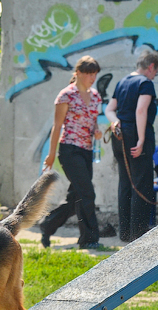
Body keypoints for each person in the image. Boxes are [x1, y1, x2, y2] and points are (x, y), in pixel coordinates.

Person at [38, 55, 103, 250]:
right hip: (69, 150)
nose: (93, 77)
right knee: (87, 193)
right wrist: (51, 154)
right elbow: (57, 126)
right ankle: (89, 239)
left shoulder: (96, 96)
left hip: (87, 150)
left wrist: (97, 131)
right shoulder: (66, 95)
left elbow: (92, 122)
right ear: (78, 73)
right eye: (89, 73)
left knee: (77, 197)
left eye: (95, 74)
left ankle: (47, 224)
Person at [104, 50, 158, 243]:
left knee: (125, 184)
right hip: (136, 135)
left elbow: (109, 109)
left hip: (119, 137)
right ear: (151, 67)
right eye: (156, 72)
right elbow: (141, 110)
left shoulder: (122, 83)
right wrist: (141, 140)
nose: (154, 76)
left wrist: (115, 123)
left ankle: (126, 233)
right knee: (141, 183)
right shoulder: (145, 83)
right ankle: (138, 233)